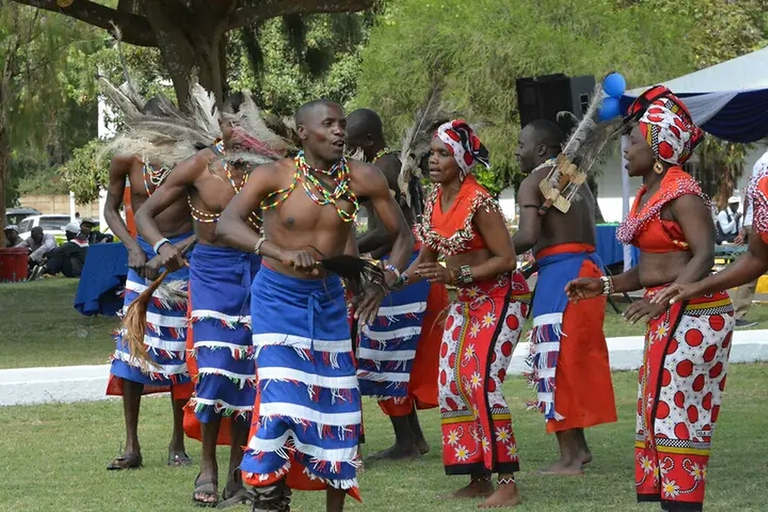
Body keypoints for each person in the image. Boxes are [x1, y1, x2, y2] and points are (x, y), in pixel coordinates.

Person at [216, 99, 414, 512]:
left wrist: (386, 281)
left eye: (342, 124)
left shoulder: (364, 178)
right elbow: (227, 223)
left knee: (338, 406)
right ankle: (269, 498)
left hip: (327, 303)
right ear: (303, 133)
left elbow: (402, 236)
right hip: (276, 298)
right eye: (329, 125)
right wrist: (277, 251)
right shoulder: (274, 175)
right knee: (282, 401)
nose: (340, 131)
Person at [566, 86, 734, 512]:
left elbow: (705, 255)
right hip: (669, 309)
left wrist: (672, 296)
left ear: (660, 148)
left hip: (695, 313)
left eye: (635, 141)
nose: (626, 148)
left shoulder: (683, 194)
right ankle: (671, 501)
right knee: (655, 407)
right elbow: (649, 270)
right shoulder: (648, 195)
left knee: (673, 409)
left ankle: (683, 502)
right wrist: (604, 286)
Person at [135, 99, 283, 506]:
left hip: (259, 270)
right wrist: (162, 245)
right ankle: (207, 466)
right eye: (232, 121)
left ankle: (238, 469)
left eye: (247, 120)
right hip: (212, 275)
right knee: (216, 369)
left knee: (248, 374)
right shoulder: (200, 165)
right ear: (219, 124)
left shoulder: (269, 167)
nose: (240, 127)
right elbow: (145, 213)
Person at [397, 120, 529, 508]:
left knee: (481, 382)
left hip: (500, 300)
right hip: (465, 303)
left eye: (442, 153)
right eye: (432, 153)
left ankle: (508, 481)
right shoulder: (435, 201)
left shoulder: (480, 201)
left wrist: (457, 274)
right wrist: (386, 283)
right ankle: (477, 476)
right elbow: (424, 262)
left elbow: (507, 259)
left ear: (461, 159)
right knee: (452, 384)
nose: (433, 160)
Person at [513, 119, 617, 475]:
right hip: (586, 270)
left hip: (563, 278)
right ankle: (580, 448)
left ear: (542, 149)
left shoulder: (533, 182)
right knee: (572, 358)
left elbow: (527, 235)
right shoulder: (575, 179)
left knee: (557, 362)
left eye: (521, 144)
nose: (516, 151)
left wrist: (491, 252)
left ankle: (570, 457)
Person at [346, 108, 449, 460]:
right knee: (391, 355)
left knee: (389, 354)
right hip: (402, 261)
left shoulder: (383, 167)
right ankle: (411, 439)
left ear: (369, 141)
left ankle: (408, 441)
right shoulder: (389, 163)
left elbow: (392, 230)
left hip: (400, 264)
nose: (348, 151)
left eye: (353, 144)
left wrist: (343, 251)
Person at [103, 95, 196, 473]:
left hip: (183, 260)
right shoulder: (126, 157)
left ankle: (178, 441)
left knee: (179, 352)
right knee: (132, 349)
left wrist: (177, 250)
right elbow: (111, 208)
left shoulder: (192, 160)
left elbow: (211, 216)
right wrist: (132, 247)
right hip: (141, 260)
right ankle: (131, 444)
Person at [729, 150, 768, 328]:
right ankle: (736, 313)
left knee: (752, 266)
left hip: (753, 219)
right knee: (753, 266)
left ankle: (737, 312)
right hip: (764, 218)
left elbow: (749, 194)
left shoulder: (760, 162)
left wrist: (744, 224)